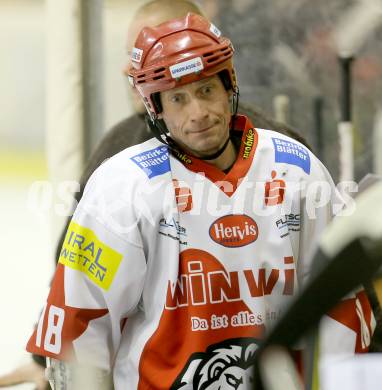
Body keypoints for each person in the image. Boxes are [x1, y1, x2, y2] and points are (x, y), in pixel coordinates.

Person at [24, 11, 375, 389]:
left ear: (230, 85)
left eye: (207, 89)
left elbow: (340, 304)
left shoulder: (298, 168)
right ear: (154, 107)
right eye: (178, 98)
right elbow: (78, 328)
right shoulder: (120, 188)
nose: (198, 113)